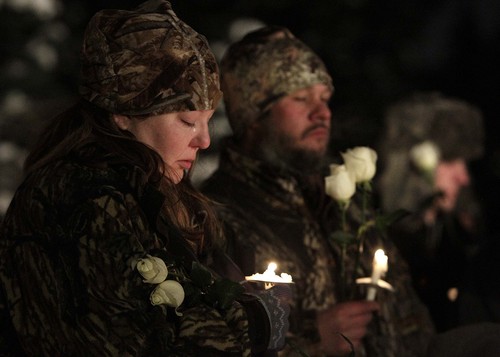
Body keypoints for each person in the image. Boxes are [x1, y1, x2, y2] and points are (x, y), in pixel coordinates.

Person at [0, 1, 290, 356]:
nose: (204, 140)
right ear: (123, 113)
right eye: (186, 121)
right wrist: (254, 322)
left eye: (207, 121)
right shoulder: (84, 201)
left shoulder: (152, 194)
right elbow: (138, 339)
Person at [201, 26, 436, 357]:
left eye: (324, 98)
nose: (321, 112)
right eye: (300, 98)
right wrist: (311, 339)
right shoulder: (213, 217)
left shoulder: (346, 204)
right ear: (253, 114)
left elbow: (411, 318)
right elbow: (213, 340)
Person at [375, 92, 486, 332]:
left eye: (464, 163)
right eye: (450, 162)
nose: (463, 177)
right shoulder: (384, 240)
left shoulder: (457, 237)